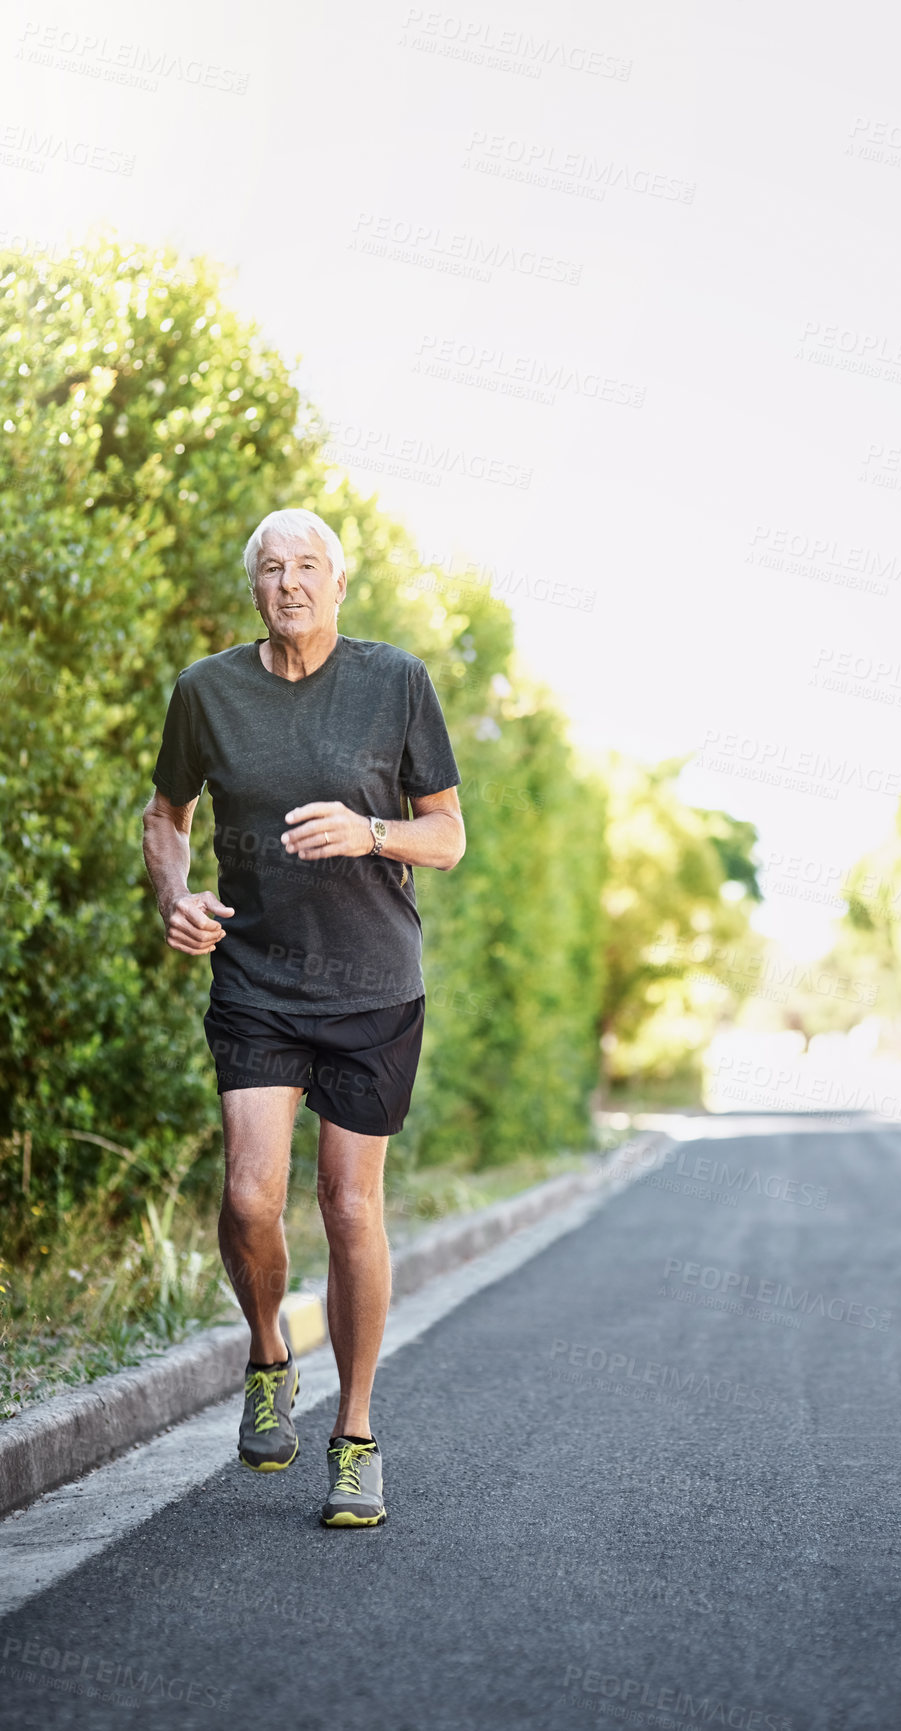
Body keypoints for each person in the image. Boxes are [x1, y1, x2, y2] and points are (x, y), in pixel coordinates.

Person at [142, 507, 465, 1528]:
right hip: (257, 980)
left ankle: (356, 1435)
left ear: (339, 582)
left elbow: (449, 836)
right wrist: (173, 897)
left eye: (308, 566)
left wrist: (371, 829)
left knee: (349, 1207)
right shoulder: (207, 692)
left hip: (372, 985)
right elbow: (166, 818)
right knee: (248, 1199)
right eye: (272, 568)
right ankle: (270, 1354)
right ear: (254, 587)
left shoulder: (396, 681)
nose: (290, 583)